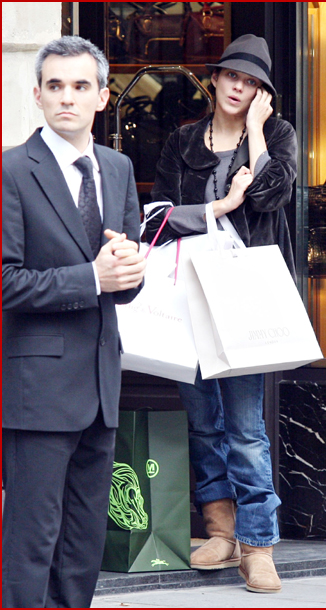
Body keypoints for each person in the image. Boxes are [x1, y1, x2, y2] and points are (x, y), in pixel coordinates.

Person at [145, 34, 298, 594]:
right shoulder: (184, 139)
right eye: (233, 76)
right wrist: (219, 205)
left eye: (252, 82)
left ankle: (258, 545)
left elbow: (274, 196)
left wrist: (256, 130)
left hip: (246, 294)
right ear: (215, 79)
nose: (239, 87)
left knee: (246, 427)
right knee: (203, 418)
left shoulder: (277, 135)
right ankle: (220, 530)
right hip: (188, 288)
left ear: (262, 94)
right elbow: (160, 215)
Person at [2, 36, 146, 608]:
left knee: (83, 546)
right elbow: (6, 281)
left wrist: (131, 272)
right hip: (36, 392)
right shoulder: (11, 170)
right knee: (32, 543)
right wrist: (91, 278)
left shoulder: (118, 167)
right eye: (56, 86)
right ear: (37, 95)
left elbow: (123, 284)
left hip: (101, 387)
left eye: (81, 86)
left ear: (102, 97)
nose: (68, 97)